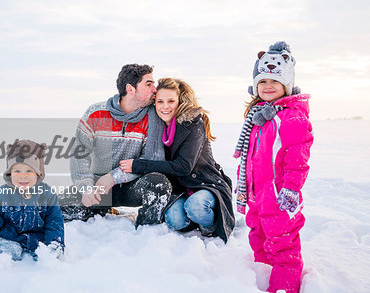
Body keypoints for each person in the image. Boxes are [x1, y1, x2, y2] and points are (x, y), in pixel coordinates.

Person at [233, 41, 313, 293]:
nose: (268, 86)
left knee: (283, 245)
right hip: (258, 195)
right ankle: (261, 275)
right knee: (258, 237)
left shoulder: (291, 117)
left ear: (286, 85)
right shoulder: (260, 116)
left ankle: (284, 287)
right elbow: (250, 156)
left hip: (279, 197)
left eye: (274, 82)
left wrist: (290, 189)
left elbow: (297, 158)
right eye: (263, 82)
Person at [120, 78, 235, 242]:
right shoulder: (159, 126)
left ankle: (209, 226)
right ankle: (191, 219)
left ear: (180, 101)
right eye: (160, 101)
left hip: (205, 184)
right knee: (174, 220)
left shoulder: (193, 124)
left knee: (196, 207)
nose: (165, 106)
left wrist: (137, 165)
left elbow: (183, 167)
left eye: (171, 101)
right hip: (181, 188)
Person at [60, 64, 172, 227]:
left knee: (159, 184)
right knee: (54, 208)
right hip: (98, 187)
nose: (155, 89)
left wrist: (114, 177)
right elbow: (79, 154)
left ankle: (146, 232)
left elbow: (151, 160)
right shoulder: (96, 112)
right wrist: (85, 187)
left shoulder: (153, 116)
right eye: (149, 84)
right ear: (130, 89)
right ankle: (101, 209)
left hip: (133, 186)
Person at [0, 140, 65, 266]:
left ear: (38, 173)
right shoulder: (1, 195)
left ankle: (49, 260)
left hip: (39, 241)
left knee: (48, 259)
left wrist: (55, 244)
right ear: (10, 173)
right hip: (10, 240)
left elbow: (55, 222)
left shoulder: (47, 194)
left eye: (29, 171)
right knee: (3, 256)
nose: (23, 176)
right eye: (17, 171)